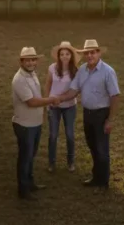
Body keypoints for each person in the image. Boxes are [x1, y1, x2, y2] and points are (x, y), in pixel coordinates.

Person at [55, 39, 121, 189]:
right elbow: (73, 91)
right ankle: (96, 177)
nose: (90, 55)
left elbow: (115, 96)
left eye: (93, 52)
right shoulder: (82, 70)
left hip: (101, 114)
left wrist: (110, 120)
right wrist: (59, 98)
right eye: (87, 53)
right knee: (93, 146)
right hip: (88, 114)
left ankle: (103, 183)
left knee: (102, 149)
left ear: (98, 53)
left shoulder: (108, 71)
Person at [11, 46, 57, 200]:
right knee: (25, 158)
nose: (31, 63)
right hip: (25, 126)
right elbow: (31, 102)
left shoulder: (32, 74)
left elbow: (37, 96)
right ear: (21, 62)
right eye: (27, 60)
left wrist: (41, 117)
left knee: (31, 156)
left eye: (33, 60)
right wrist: (51, 100)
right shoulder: (19, 79)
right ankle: (23, 190)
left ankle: (30, 183)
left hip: (34, 124)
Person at [45, 41, 79, 173]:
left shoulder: (75, 70)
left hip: (70, 106)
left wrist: (62, 98)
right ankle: (51, 162)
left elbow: (75, 90)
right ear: (58, 56)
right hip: (53, 106)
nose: (64, 56)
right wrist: (47, 102)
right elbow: (48, 84)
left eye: (67, 54)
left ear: (71, 55)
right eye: (62, 54)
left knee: (70, 135)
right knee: (53, 135)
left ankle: (70, 162)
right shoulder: (52, 68)